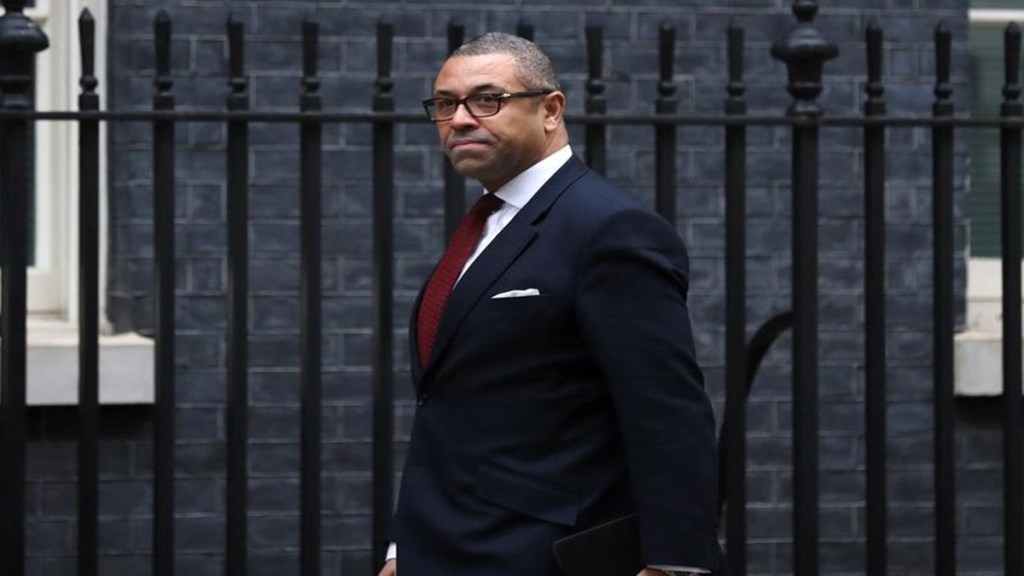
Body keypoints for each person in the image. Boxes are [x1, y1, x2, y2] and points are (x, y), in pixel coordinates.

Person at [379, 32, 721, 576]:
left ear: (551, 110)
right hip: (441, 548)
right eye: (445, 104)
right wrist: (404, 549)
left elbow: (666, 410)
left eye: (487, 99)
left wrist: (676, 564)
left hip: (540, 551)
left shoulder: (609, 228)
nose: (460, 119)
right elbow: (447, 408)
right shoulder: (486, 225)